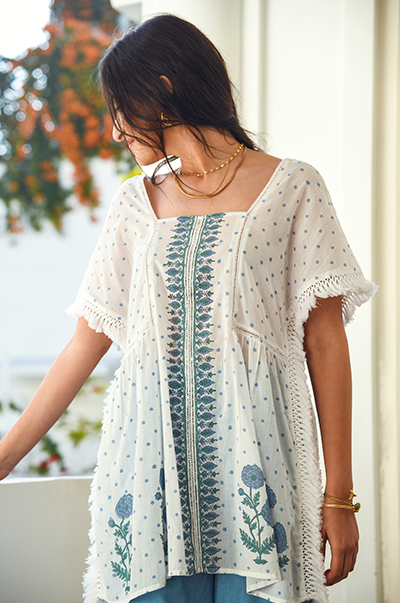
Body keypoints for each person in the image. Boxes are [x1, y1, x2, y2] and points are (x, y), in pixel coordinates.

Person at [0, 13, 377, 603]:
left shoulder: (294, 187)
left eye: (120, 108)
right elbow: (85, 344)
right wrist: (4, 456)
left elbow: (325, 341)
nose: (115, 131)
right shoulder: (133, 204)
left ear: (162, 89)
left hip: (259, 475)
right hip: (149, 482)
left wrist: (340, 496)